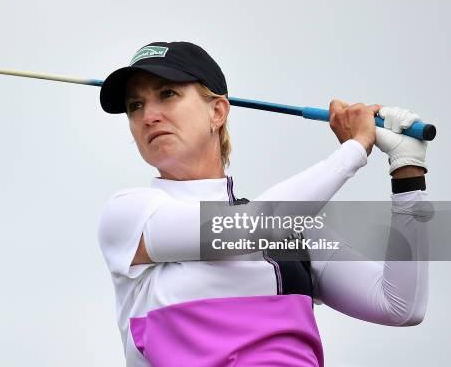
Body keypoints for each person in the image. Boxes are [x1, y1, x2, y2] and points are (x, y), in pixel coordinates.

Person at [97, 41, 429, 367]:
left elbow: (400, 305)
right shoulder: (129, 213)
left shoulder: (293, 230)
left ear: (217, 111)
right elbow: (243, 228)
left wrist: (407, 170)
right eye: (134, 106)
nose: (148, 116)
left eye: (167, 94)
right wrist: (354, 150)